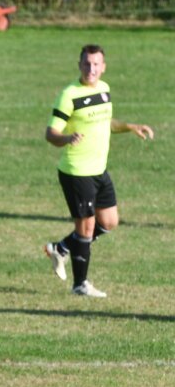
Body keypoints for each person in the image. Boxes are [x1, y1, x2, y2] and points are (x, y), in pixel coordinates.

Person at [43, 44, 154, 298]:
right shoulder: (69, 94)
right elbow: (51, 133)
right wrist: (67, 138)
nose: (91, 69)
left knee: (109, 222)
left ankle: (60, 249)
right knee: (86, 226)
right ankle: (80, 285)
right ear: (79, 65)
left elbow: (106, 122)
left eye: (96, 64)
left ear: (103, 67)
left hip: (98, 170)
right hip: (77, 171)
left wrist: (129, 126)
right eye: (86, 63)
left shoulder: (104, 90)